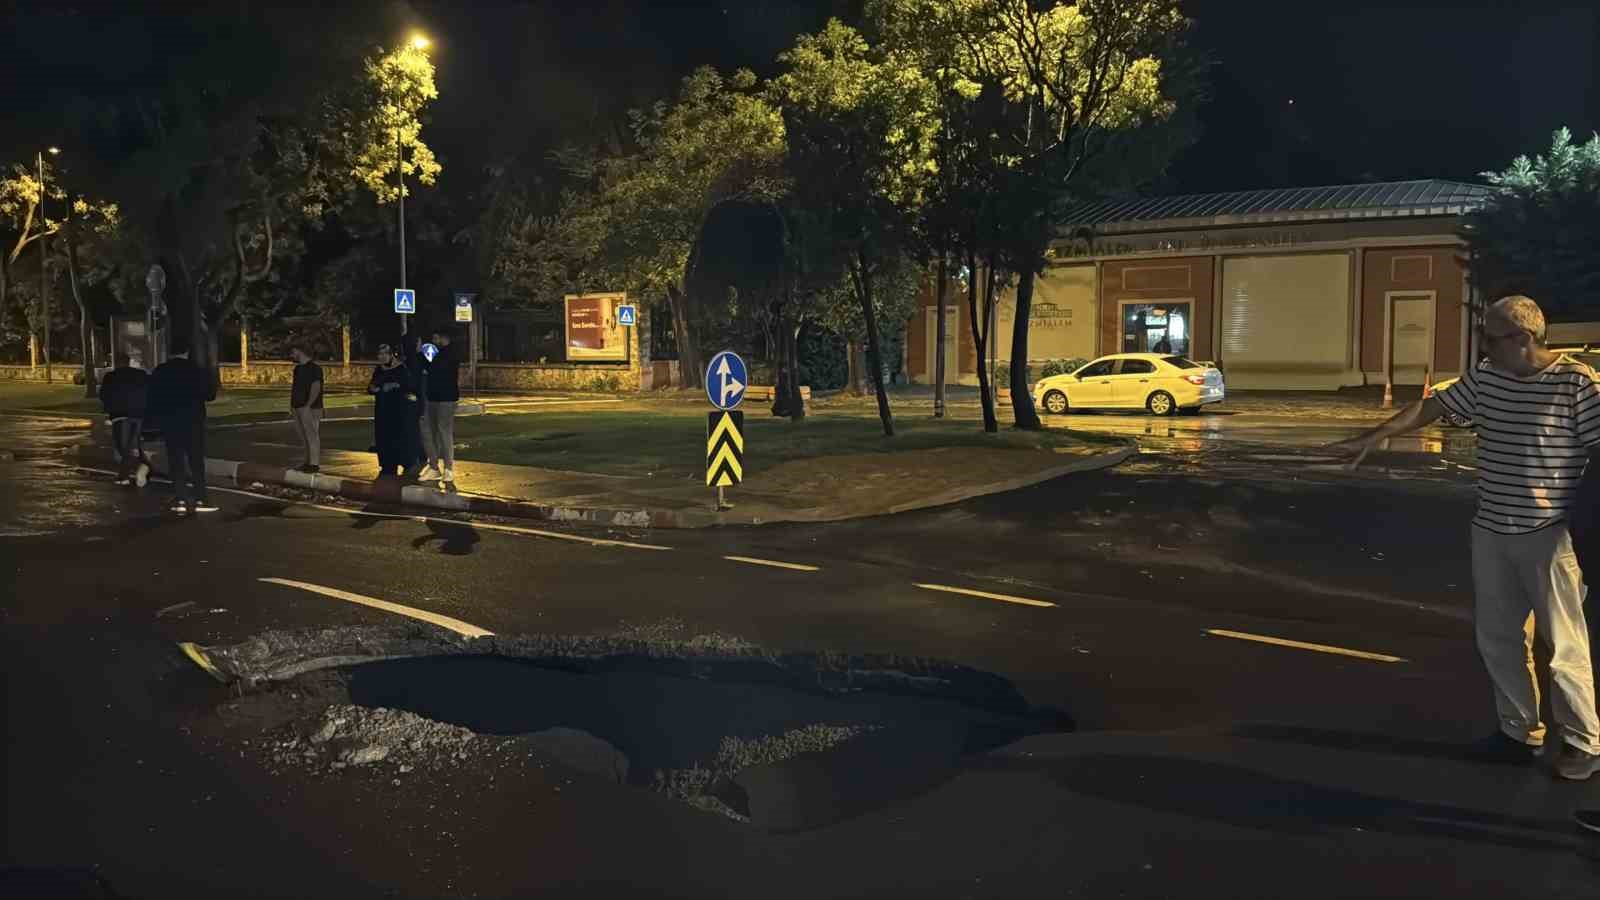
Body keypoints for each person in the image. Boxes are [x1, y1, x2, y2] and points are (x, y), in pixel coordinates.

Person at [1330, 295, 1600, 781]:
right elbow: (1432, 407)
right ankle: (1518, 732)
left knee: (1563, 646)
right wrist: (1375, 435)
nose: (1482, 346)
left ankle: (1584, 741)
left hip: (1549, 535)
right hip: (1491, 529)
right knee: (1499, 638)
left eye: (1489, 337)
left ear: (1523, 339)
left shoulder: (1577, 383)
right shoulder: (1488, 376)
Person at [146, 338, 217, 515]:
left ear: (170, 353)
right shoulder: (197, 371)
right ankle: (201, 496)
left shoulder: (161, 371)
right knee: (196, 460)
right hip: (193, 420)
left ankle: (180, 497)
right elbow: (209, 395)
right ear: (187, 352)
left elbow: (152, 397)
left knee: (176, 460)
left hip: (170, 421)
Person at [99, 350, 150, 487]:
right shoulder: (140, 375)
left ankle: (140, 466)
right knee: (133, 445)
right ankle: (125, 475)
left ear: (116, 363)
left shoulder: (111, 377)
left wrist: (109, 410)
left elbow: (104, 395)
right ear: (128, 362)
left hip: (120, 416)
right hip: (138, 415)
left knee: (123, 448)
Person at [419, 326, 460, 484]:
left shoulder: (452, 353)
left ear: (444, 338)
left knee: (444, 432)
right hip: (432, 397)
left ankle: (448, 468)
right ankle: (434, 467)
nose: (434, 341)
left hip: (447, 398)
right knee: (429, 433)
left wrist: (428, 361)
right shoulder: (434, 353)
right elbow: (425, 365)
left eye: (436, 338)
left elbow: (437, 368)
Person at [367, 343, 416, 477]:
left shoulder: (401, 369)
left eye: (384, 354)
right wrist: (373, 389)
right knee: (383, 437)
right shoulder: (379, 369)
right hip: (382, 409)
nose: (382, 357)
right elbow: (372, 385)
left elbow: (409, 387)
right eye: (380, 354)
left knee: (399, 437)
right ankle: (387, 464)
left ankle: (406, 462)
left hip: (398, 410)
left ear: (391, 355)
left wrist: (395, 385)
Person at [289, 343, 323, 474]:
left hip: (311, 407)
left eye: (293, 352)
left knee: (312, 434)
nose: (291, 355)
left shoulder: (315, 368)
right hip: (297, 406)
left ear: (299, 350)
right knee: (303, 436)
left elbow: (316, 387)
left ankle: (314, 464)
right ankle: (307, 461)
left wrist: (308, 405)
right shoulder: (297, 369)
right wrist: (292, 406)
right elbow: (296, 388)